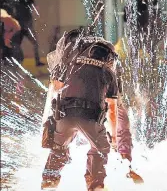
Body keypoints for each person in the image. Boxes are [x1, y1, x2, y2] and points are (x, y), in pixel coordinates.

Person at [41, 29, 119, 191]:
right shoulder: (109, 74)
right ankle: (95, 185)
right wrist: (115, 137)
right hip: (90, 119)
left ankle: (49, 182)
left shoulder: (71, 64)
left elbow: (56, 88)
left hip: (65, 116)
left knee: (58, 150)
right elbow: (112, 109)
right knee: (101, 149)